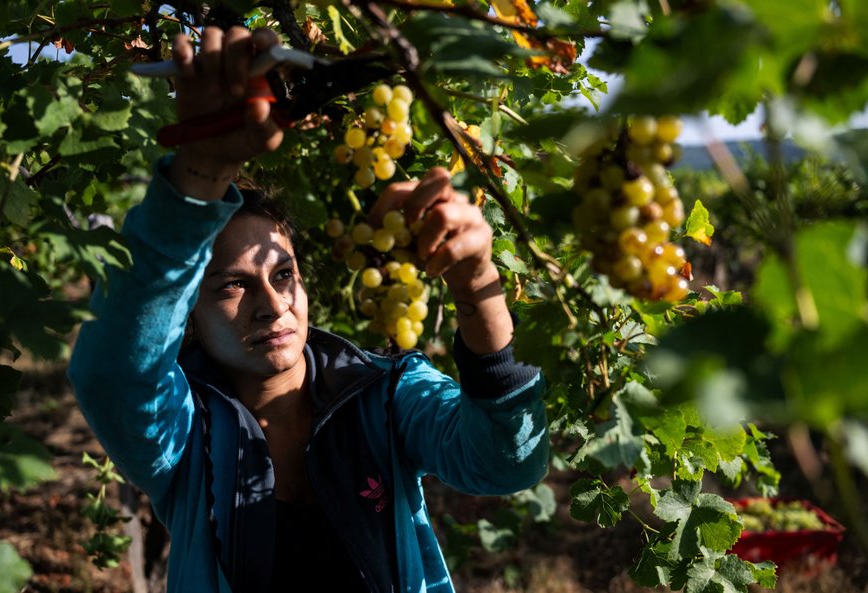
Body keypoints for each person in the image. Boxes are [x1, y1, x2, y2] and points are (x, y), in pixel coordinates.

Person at [68, 25, 549, 593]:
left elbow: (506, 462)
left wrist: (476, 283)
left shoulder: (386, 393)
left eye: (283, 275)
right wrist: (199, 171)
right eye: (231, 286)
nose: (272, 306)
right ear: (186, 311)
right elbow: (112, 372)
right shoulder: (183, 431)